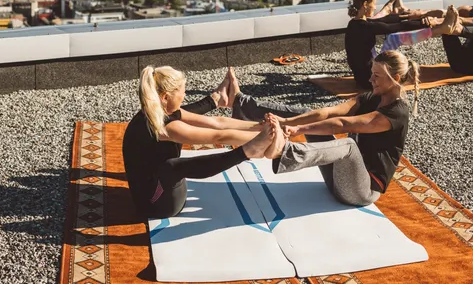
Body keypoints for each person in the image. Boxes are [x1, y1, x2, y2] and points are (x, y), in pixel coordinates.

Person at [259, 50, 420, 206]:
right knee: (316, 126)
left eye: (376, 76)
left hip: (361, 192)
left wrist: (299, 130)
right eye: (372, 73)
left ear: (396, 78)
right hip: (337, 180)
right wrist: (289, 121)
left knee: (348, 146)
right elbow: (329, 113)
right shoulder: (371, 98)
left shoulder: (396, 113)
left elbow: (344, 124)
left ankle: (284, 153)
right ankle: (241, 103)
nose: (370, 79)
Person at [122, 66, 284, 221]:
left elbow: (216, 122)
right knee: (171, 167)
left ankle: (218, 100)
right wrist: (261, 139)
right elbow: (218, 137)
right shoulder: (165, 128)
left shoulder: (159, 111)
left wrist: (259, 126)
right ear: (165, 97)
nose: (184, 95)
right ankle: (248, 151)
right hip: (155, 203)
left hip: (162, 186)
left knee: (180, 119)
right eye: (182, 91)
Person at [345, 0, 450, 90]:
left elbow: (385, 20)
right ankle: (439, 29)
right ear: (365, 5)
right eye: (374, 4)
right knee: (394, 38)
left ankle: (398, 9)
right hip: (370, 80)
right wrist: (424, 23)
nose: (375, 7)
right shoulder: (365, 27)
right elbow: (396, 27)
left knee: (389, 34)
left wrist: (407, 16)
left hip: (362, 77)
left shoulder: (355, 23)